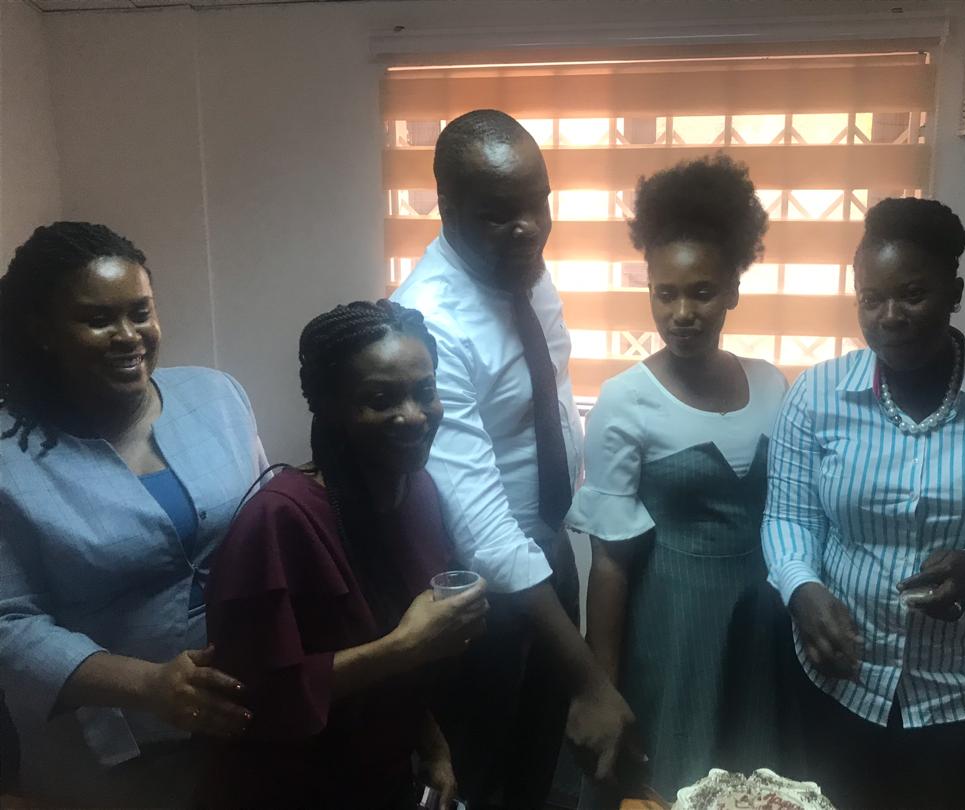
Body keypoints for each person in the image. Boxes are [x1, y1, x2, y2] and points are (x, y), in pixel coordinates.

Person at [762, 197, 965, 810]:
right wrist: (801, 587)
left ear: (954, 293)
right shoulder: (816, 395)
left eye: (912, 294)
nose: (890, 317)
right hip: (842, 681)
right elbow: (788, 517)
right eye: (870, 298)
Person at [391, 109, 638, 810]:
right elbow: (481, 528)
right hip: (477, 593)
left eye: (539, 205)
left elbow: (546, 397)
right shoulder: (428, 322)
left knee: (538, 763)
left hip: (545, 551)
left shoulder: (522, 265)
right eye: (499, 215)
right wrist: (590, 678)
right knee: (477, 773)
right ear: (447, 209)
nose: (528, 228)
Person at [0, 222, 266, 806]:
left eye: (140, 312)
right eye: (98, 320)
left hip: (247, 710)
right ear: (42, 330)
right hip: (111, 748)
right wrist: (148, 684)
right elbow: (9, 624)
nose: (129, 336)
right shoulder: (8, 459)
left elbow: (269, 526)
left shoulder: (217, 396)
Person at [566, 155, 788, 806]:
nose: (683, 312)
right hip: (672, 626)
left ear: (733, 289)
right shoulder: (624, 400)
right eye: (666, 293)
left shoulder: (772, 384)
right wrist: (602, 686)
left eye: (702, 291)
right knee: (670, 777)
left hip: (759, 621)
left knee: (752, 785)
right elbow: (610, 563)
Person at [205, 300, 488, 810]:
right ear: (330, 407)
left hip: (386, 773)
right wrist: (407, 646)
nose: (413, 415)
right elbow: (249, 698)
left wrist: (432, 744)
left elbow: (388, 649)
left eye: (425, 391)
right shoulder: (279, 521)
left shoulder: (417, 491)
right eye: (380, 399)